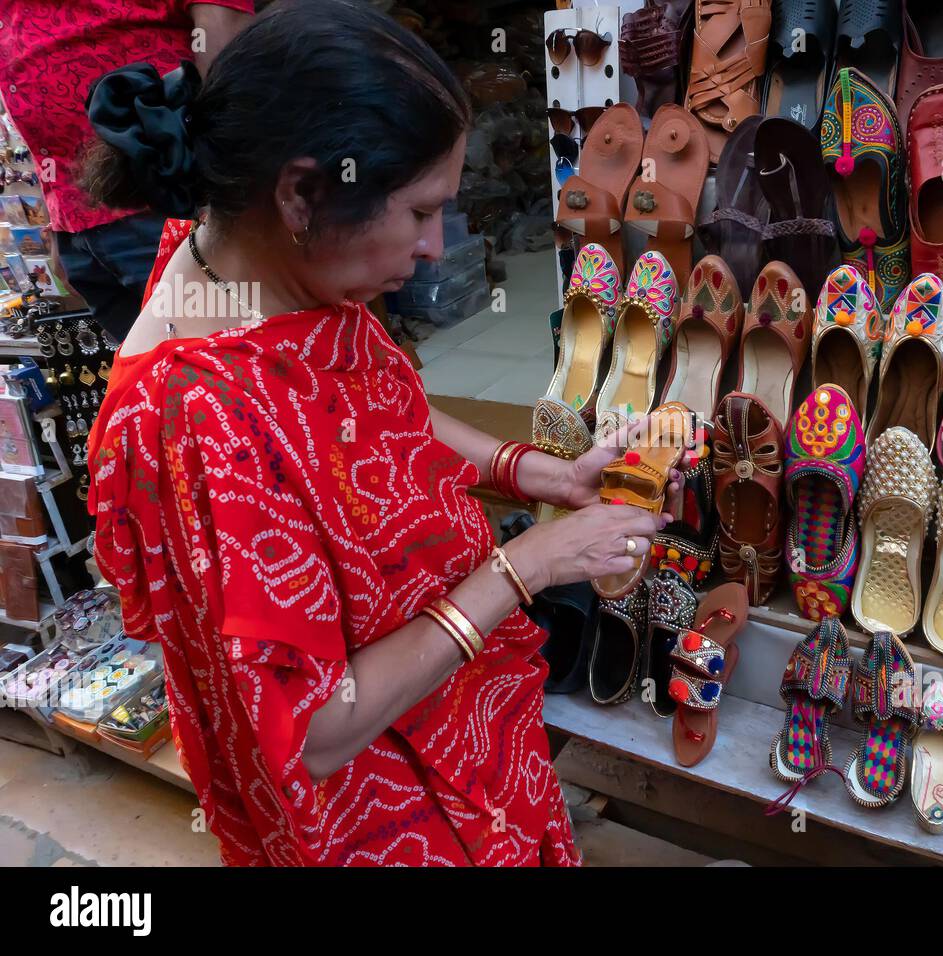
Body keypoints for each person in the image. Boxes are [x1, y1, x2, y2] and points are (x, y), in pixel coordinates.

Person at [85, 0, 673, 866]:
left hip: (443, 707)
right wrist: (531, 565)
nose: (438, 247)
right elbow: (317, 730)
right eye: (420, 211)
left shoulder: (250, 266)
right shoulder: (197, 421)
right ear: (300, 192)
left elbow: (372, 410)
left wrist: (535, 475)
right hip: (377, 806)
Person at [0, 0, 253, 342]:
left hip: (169, 203)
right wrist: (60, 221)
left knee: (225, 354)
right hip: (79, 219)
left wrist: (223, 188)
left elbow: (229, 52)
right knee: (151, 372)